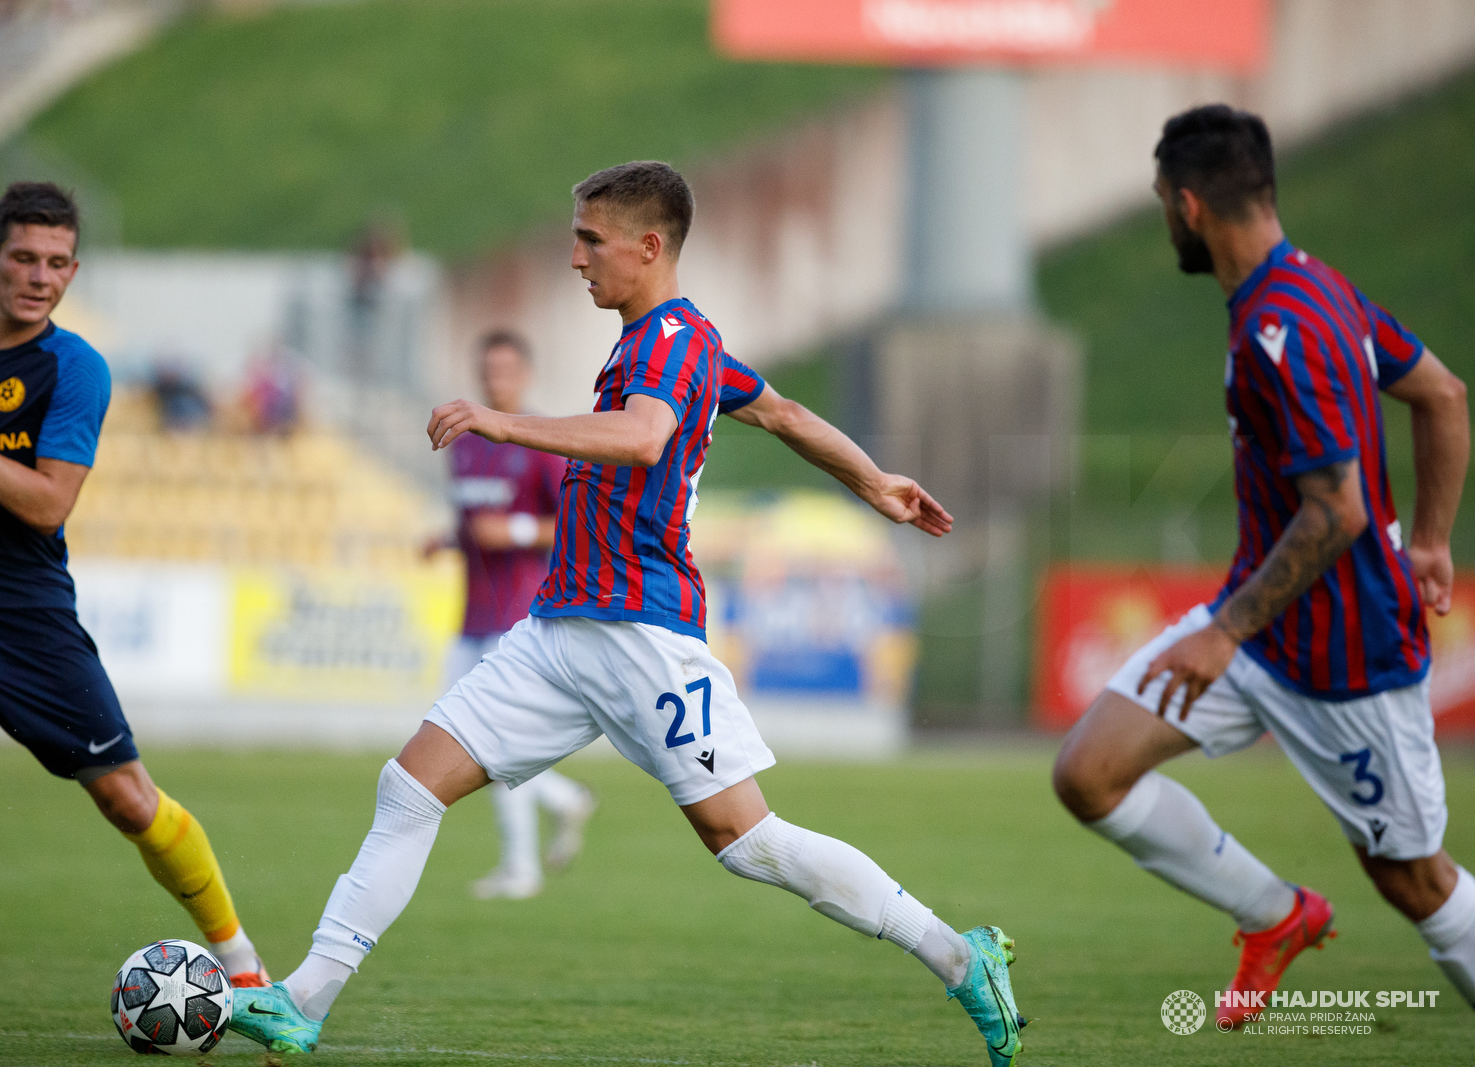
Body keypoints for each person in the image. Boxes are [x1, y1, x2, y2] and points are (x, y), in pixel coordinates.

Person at [229, 161, 1028, 1066]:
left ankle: (962, 957)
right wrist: (873, 478)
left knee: (745, 839)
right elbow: (785, 412)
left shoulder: (669, 344)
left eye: (589, 239)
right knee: (409, 786)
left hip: (643, 634)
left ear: (649, 247)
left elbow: (645, 436)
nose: (575, 258)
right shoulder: (668, 340)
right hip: (562, 630)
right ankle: (302, 1003)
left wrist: (502, 421)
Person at [1051, 105, 1473, 1027]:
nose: (1166, 218)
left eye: (1164, 202)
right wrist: (1434, 540)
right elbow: (1441, 394)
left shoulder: (1287, 329)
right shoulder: (1317, 291)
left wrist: (1222, 629)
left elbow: (1341, 509)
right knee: (1090, 772)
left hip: (1346, 661)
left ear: (1190, 205)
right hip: (1261, 636)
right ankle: (1274, 915)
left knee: (1413, 878)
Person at [0, 182, 271, 989]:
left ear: (73, 271)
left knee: (130, 801)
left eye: (58, 263)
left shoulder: (75, 369)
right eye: (23, 257)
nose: (40, 276)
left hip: (31, 624)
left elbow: (48, 502)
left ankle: (248, 973)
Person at [433, 328, 595, 900]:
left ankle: (521, 868)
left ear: (524, 375)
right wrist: (445, 540)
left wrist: (518, 529)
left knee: (486, 744)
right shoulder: (468, 442)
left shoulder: (541, 443)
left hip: (516, 620)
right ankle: (564, 800)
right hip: (469, 616)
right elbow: (472, 520)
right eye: (487, 371)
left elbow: (577, 525)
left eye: (505, 370)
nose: (495, 380)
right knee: (453, 738)